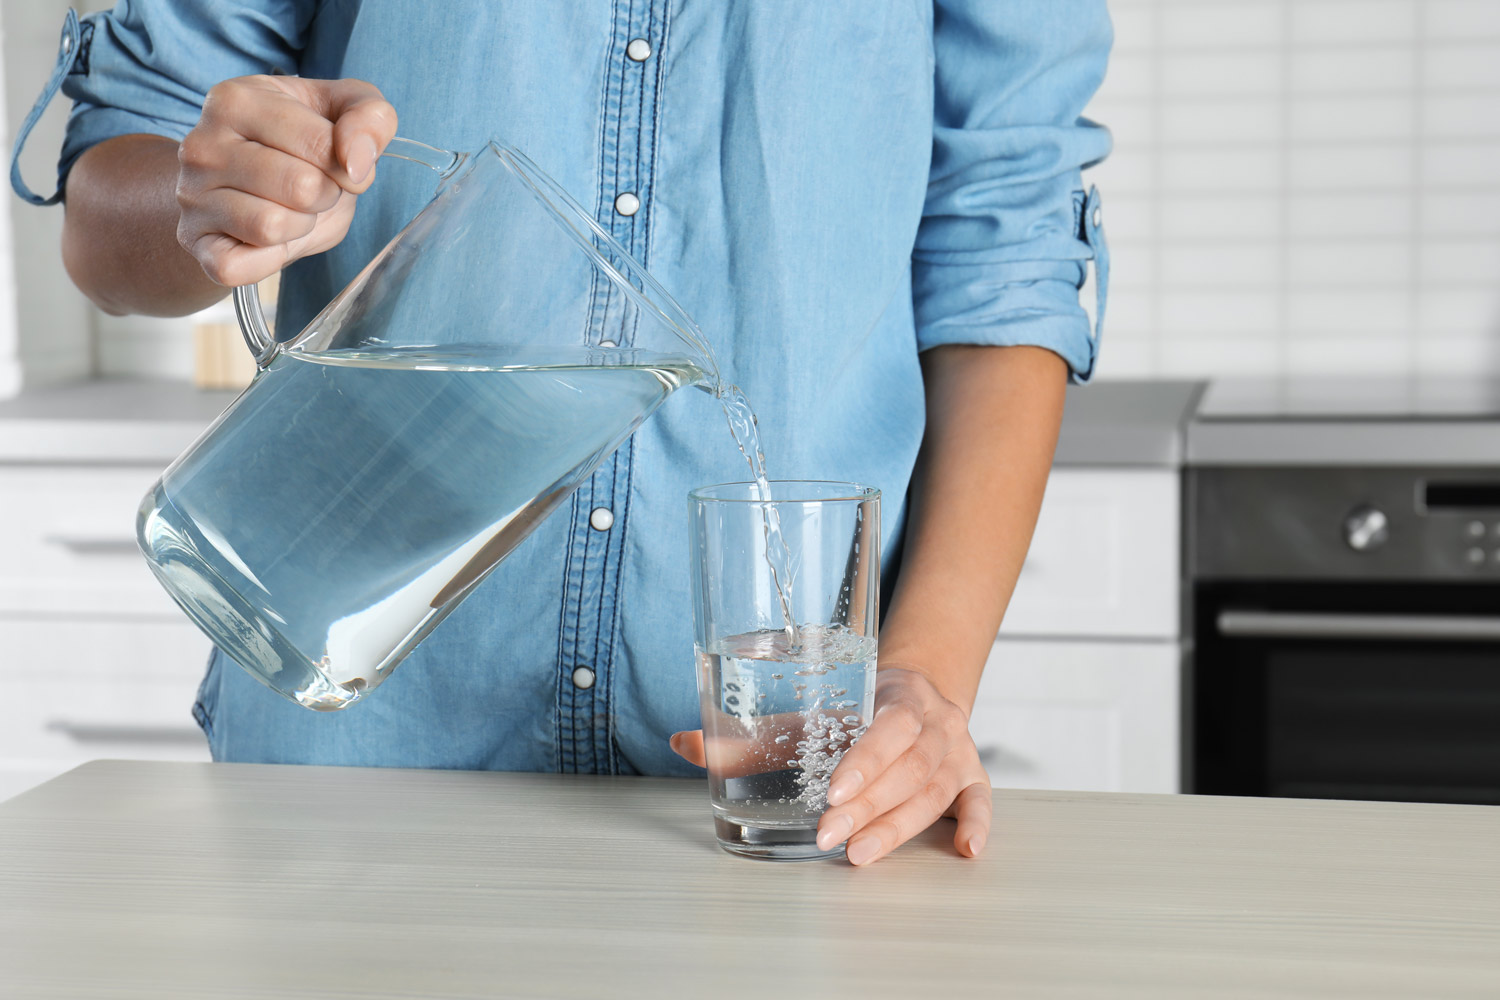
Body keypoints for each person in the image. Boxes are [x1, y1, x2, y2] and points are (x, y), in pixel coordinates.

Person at [11, 2, 1110, 867]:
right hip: (349, 767)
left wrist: (924, 678)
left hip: (789, 796)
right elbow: (112, 214)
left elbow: (1005, 255)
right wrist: (209, 199)